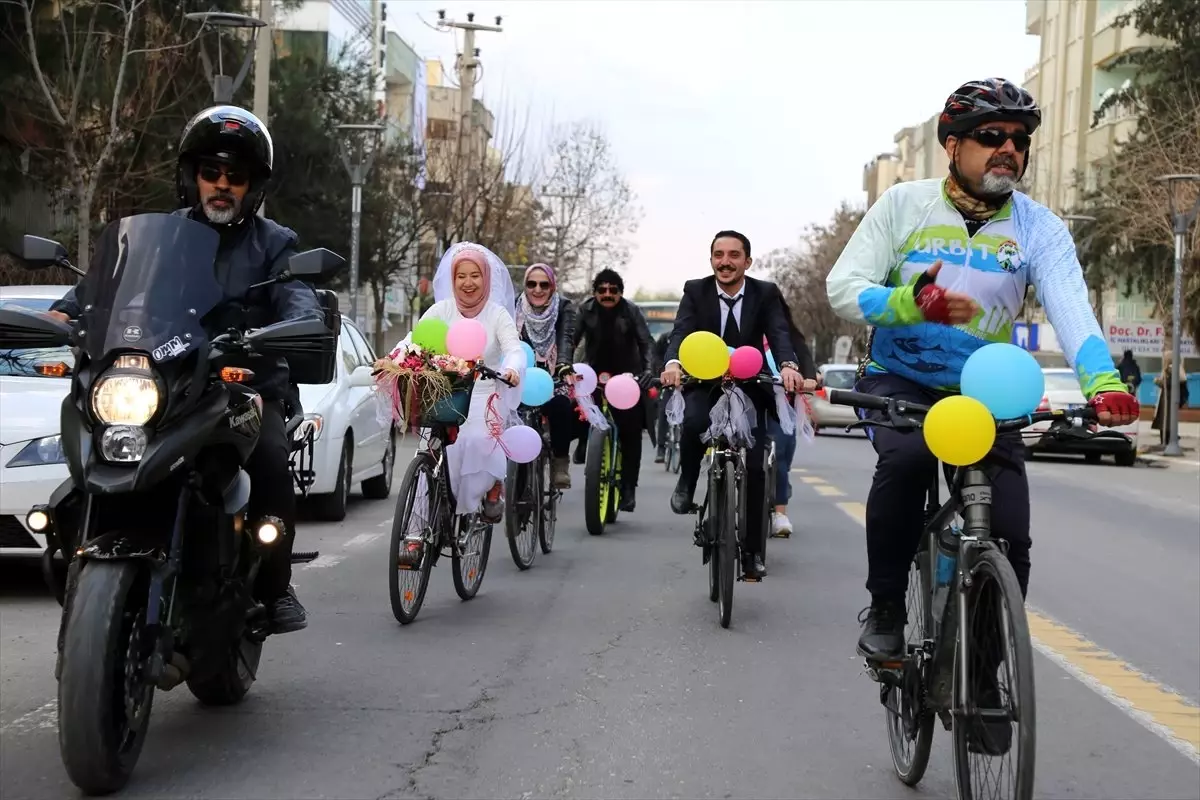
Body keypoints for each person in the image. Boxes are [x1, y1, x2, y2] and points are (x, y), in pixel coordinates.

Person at [825, 78, 1139, 667]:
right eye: (991, 136)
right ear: (952, 146)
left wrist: (1103, 382)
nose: (1008, 149)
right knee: (908, 461)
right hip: (901, 380)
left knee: (1011, 534)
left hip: (985, 392)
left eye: (1020, 140)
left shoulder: (1039, 228)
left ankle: (988, 672)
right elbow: (843, 288)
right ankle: (888, 607)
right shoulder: (903, 205)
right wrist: (909, 304)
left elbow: (1072, 308)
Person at [48, 104, 322, 635]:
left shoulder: (275, 244)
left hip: (242, 386)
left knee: (267, 454)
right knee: (94, 442)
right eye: (210, 173)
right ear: (191, 178)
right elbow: (95, 292)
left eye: (235, 176)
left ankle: (273, 582)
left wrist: (297, 323)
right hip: (164, 381)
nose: (221, 185)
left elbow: (297, 295)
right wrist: (63, 315)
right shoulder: (157, 238)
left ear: (252, 187)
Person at [661, 230, 815, 579]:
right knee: (694, 422)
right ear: (711, 259)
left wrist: (790, 367)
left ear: (747, 261)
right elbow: (681, 332)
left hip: (751, 384)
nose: (725, 262)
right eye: (718, 254)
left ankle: (752, 555)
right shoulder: (695, 290)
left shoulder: (765, 292)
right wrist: (672, 365)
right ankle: (686, 482)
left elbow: (779, 333)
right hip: (705, 380)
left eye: (733, 255)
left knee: (758, 467)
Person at [392, 243, 524, 521]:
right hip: (444, 393)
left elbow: (513, 349)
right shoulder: (441, 310)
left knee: (476, 440)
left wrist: (512, 369)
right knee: (430, 451)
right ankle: (417, 530)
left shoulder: (497, 314)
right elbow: (414, 340)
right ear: (452, 280)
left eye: (474, 275)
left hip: (484, 394)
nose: (467, 283)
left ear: (485, 278)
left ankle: (488, 489)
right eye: (460, 276)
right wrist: (392, 359)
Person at [572, 268, 655, 511]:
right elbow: (572, 339)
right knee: (577, 406)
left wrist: (648, 371)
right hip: (594, 373)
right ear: (595, 292)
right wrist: (564, 364)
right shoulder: (585, 310)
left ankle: (629, 488)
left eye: (613, 290)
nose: (607, 294)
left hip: (627, 375)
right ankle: (584, 442)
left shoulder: (631, 311)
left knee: (630, 431)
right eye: (602, 290)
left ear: (621, 292)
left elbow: (646, 342)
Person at [515, 262, 577, 488]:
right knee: (512, 420)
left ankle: (560, 463)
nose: (537, 289)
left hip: (554, 374)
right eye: (532, 284)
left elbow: (566, 337)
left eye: (544, 284)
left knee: (561, 406)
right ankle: (514, 484)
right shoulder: (515, 306)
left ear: (552, 287)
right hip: (521, 376)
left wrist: (563, 363)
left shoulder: (565, 307)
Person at [765, 294, 817, 538]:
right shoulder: (741, 331)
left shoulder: (788, 337)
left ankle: (780, 512)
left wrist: (809, 378)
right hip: (747, 401)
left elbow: (805, 360)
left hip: (783, 405)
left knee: (781, 458)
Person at [1151, 352, 1189, 447]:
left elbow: (1169, 383)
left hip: (1168, 399)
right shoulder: (1175, 368)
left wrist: (1157, 381)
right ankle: (1166, 440)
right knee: (1165, 420)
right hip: (1168, 398)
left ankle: (1166, 441)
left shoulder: (1171, 368)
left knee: (1165, 420)